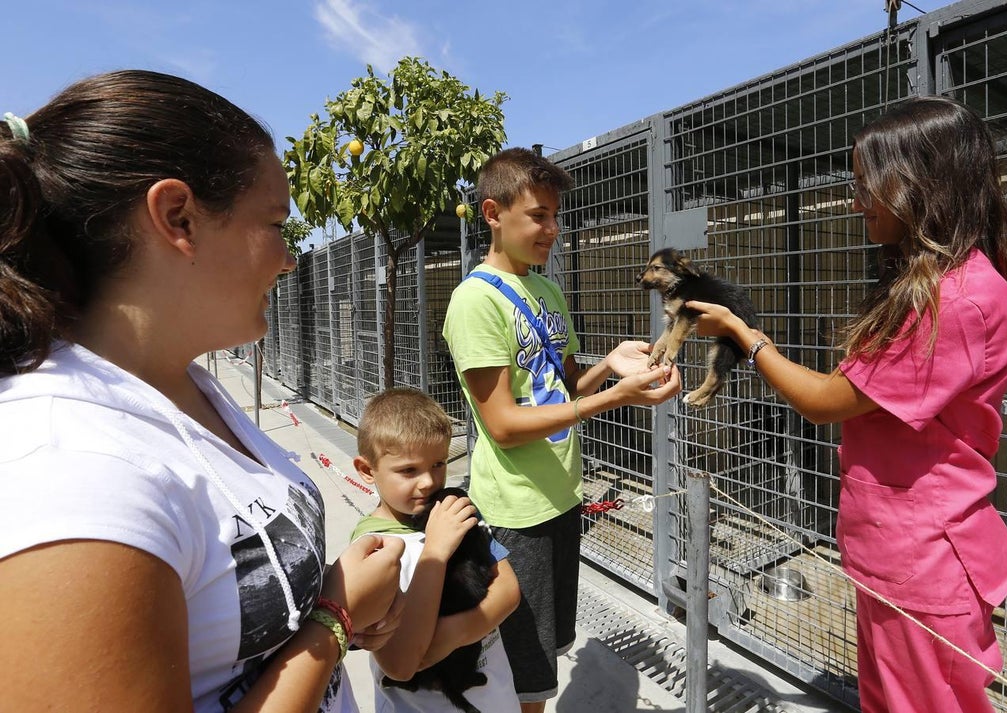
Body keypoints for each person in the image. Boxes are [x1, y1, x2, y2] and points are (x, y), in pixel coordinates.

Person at [0, 70, 405, 712]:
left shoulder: (180, 383)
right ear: (178, 217)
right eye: (274, 223)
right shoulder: (70, 470)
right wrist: (334, 620)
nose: (291, 256)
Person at [686, 96, 1007, 712]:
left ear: (920, 182)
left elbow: (821, 401)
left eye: (868, 186)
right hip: (898, 550)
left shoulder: (954, 300)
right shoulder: (940, 284)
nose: (855, 202)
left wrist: (744, 334)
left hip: (924, 559)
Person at [442, 147, 682, 711]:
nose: (552, 229)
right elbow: (501, 425)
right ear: (493, 214)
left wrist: (610, 366)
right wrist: (613, 399)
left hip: (561, 498)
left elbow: (565, 385)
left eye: (555, 215)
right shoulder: (475, 302)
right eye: (538, 216)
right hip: (515, 512)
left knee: (545, 661)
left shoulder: (546, 291)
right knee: (524, 673)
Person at [349, 387, 521, 712]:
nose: (429, 482)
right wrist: (437, 551)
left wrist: (448, 636)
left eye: (439, 464)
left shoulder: (454, 509)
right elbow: (400, 665)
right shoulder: (370, 549)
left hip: (495, 699)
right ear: (368, 470)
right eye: (409, 470)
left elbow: (509, 589)